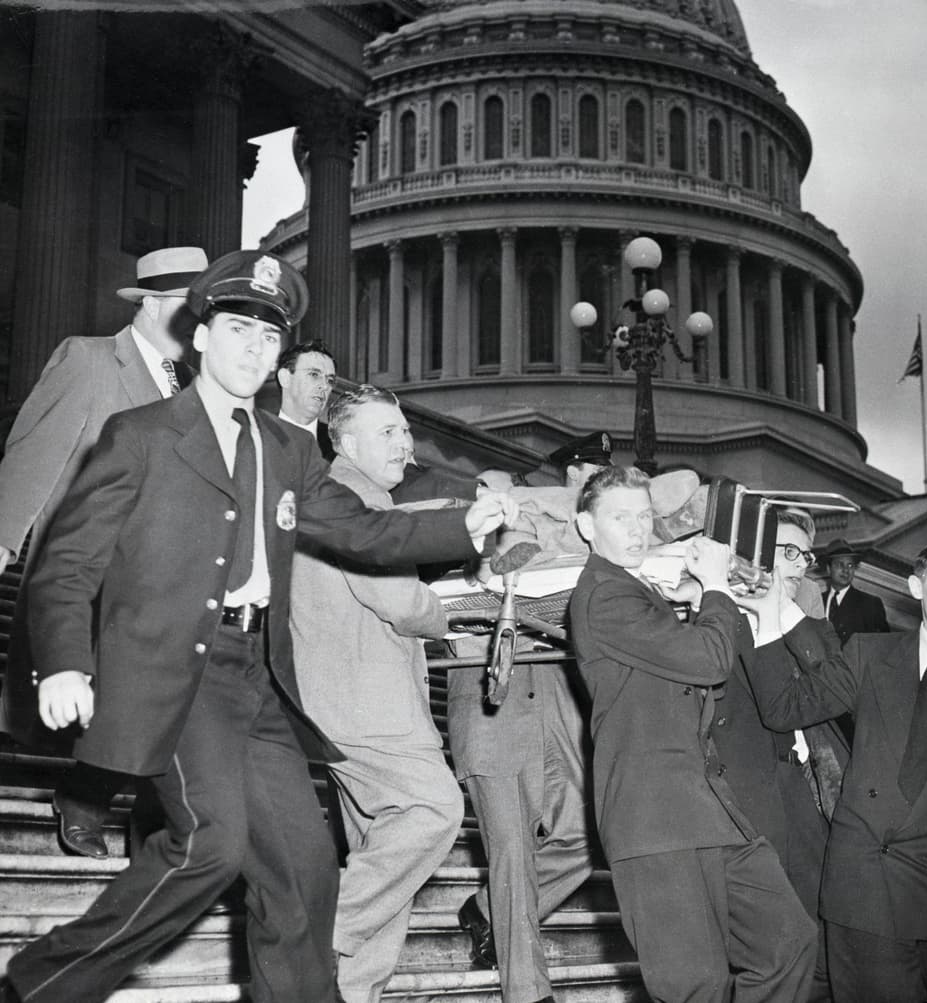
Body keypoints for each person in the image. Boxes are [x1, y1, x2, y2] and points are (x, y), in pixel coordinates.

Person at [0, 250, 515, 1003]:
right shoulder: (140, 434)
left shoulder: (288, 449)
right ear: (200, 335)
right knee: (210, 844)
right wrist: (69, 662)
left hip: (257, 679)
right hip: (175, 670)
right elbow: (67, 563)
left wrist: (461, 528)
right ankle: (36, 986)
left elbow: (363, 532)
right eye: (238, 328)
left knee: (304, 871)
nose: (254, 349)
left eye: (269, 339)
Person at [742, 536, 927, 1003]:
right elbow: (783, 709)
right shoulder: (868, 655)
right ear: (916, 587)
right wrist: (764, 619)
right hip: (866, 887)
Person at [569, 465, 816, 1003]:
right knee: (693, 988)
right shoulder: (602, 595)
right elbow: (709, 661)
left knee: (790, 943)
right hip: (655, 823)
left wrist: (693, 595)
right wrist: (717, 588)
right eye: (619, 518)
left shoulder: (634, 589)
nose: (636, 530)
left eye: (643, 517)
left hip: (709, 813)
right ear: (587, 526)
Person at [0, 246, 209, 860]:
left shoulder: (198, 388)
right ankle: (85, 797)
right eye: (186, 311)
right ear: (148, 305)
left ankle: (151, 829)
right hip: (90, 571)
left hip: (167, 582)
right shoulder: (90, 361)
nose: (198, 330)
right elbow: (33, 456)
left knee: (169, 704)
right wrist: (5, 538)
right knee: (117, 698)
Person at [289, 385, 468, 1003]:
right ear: (343, 441)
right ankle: (312, 929)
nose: (404, 442)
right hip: (369, 705)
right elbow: (397, 600)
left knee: (380, 851)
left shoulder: (339, 495)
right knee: (434, 809)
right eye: (386, 431)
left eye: (404, 430)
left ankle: (351, 990)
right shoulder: (359, 499)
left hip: (339, 701)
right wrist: (449, 611)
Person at [450, 436, 605, 1001]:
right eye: (590, 470)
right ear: (568, 471)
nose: (596, 481)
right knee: (511, 852)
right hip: (495, 701)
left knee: (590, 832)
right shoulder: (495, 504)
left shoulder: (590, 533)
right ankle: (528, 991)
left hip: (557, 696)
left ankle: (486, 908)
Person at [714, 508, 843, 1003]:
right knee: (773, 952)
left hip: (811, 802)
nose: (800, 564)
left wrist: (779, 610)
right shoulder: (717, 619)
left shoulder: (809, 627)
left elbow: (828, 670)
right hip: (747, 802)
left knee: (822, 951)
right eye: (786, 551)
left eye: (804, 555)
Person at [276, 339, 337, 458]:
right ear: (285, 378)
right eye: (314, 374)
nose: (325, 386)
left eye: (330, 380)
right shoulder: (256, 436)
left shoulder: (339, 446)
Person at [821, 539, 890, 643]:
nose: (846, 570)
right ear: (828, 569)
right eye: (840, 564)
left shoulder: (870, 604)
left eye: (850, 565)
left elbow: (883, 647)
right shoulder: (816, 600)